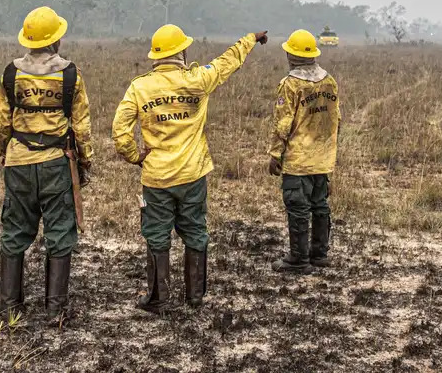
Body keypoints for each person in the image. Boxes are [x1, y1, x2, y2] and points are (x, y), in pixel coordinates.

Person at [113, 24, 268, 313]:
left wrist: (135, 156)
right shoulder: (199, 79)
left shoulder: (140, 87)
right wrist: (250, 39)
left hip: (157, 178)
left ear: (155, 56)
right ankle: (194, 297)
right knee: (195, 230)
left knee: (157, 235)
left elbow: (120, 131)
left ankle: (159, 298)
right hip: (193, 174)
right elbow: (226, 62)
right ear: (182, 51)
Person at [0, 6, 93, 321]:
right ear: (57, 40)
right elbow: (81, 125)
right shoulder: (70, 73)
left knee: (14, 230)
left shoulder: (11, 73)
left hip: (18, 162)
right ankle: (56, 309)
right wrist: (85, 162)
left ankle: (10, 306)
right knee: (60, 231)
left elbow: (2, 124)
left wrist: (4, 152)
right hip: (57, 162)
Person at [268, 29, 341, 273]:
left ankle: (299, 260)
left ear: (290, 55)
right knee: (320, 205)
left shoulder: (290, 85)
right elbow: (336, 120)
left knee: (298, 208)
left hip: (298, 160)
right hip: (323, 158)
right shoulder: (329, 81)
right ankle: (319, 254)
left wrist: (275, 154)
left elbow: (283, 124)